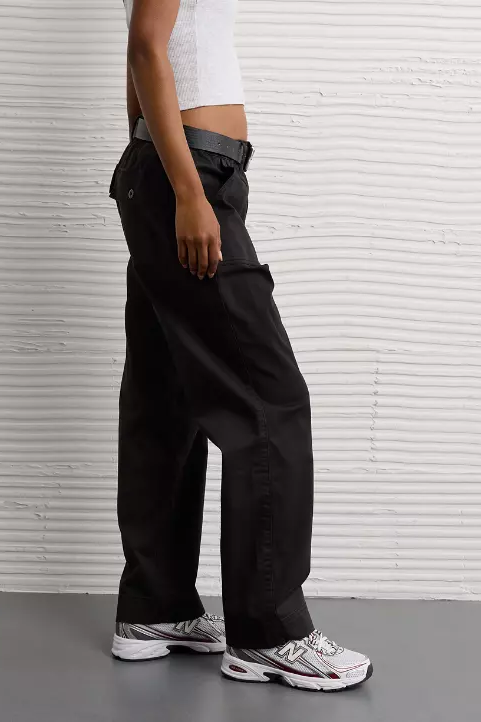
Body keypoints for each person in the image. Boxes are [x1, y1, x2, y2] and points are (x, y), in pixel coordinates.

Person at [108, 0, 372, 692]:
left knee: (166, 398)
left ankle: (156, 607)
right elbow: (145, 47)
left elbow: (145, 53)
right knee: (270, 402)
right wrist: (184, 191)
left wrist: (149, 169)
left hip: (175, 169)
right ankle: (270, 631)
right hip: (188, 174)